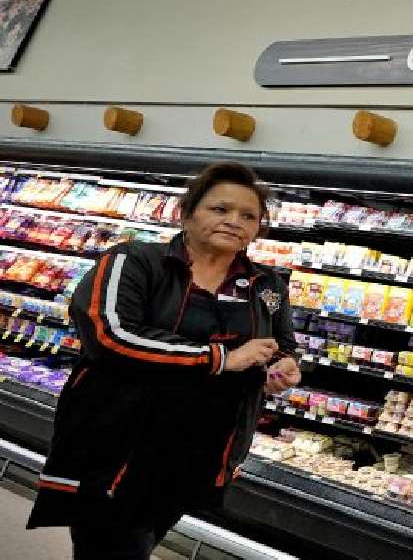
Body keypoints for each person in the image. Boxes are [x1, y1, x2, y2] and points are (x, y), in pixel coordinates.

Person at [27, 161, 301, 559]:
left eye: (248, 215)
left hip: (200, 452)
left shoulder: (267, 285)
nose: (234, 221)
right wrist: (221, 358)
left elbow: (281, 342)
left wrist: (285, 365)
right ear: (186, 213)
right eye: (219, 209)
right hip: (118, 448)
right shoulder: (134, 261)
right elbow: (111, 335)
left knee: (139, 539)